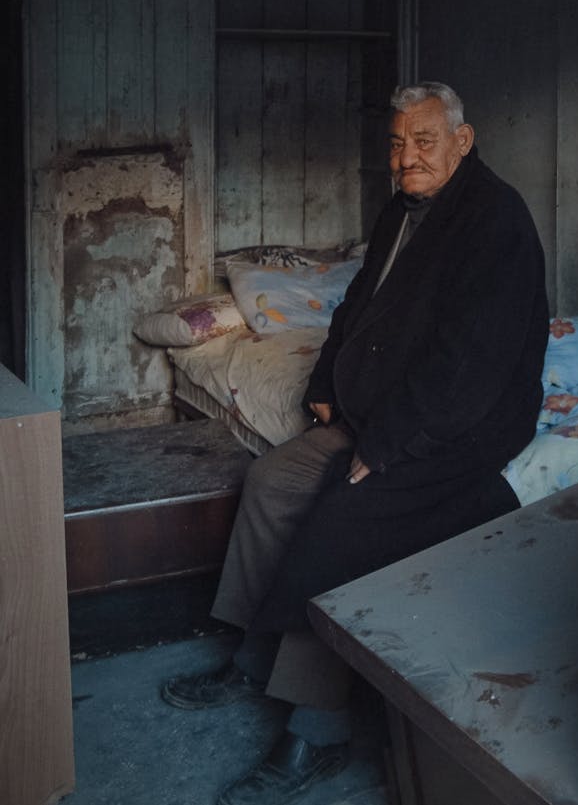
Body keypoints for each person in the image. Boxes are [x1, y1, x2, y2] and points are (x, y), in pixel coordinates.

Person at [162, 81, 549, 805]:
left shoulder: (497, 221)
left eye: (424, 141)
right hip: (383, 408)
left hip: (456, 427)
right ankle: (249, 654)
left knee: (342, 518)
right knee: (274, 479)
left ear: (463, 141)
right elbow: (361, 301)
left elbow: (468, 368)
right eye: (398, 144)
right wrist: (326, 377)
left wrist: (392, 442)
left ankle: (317, 731)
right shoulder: (404, 207)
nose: (407, 158)